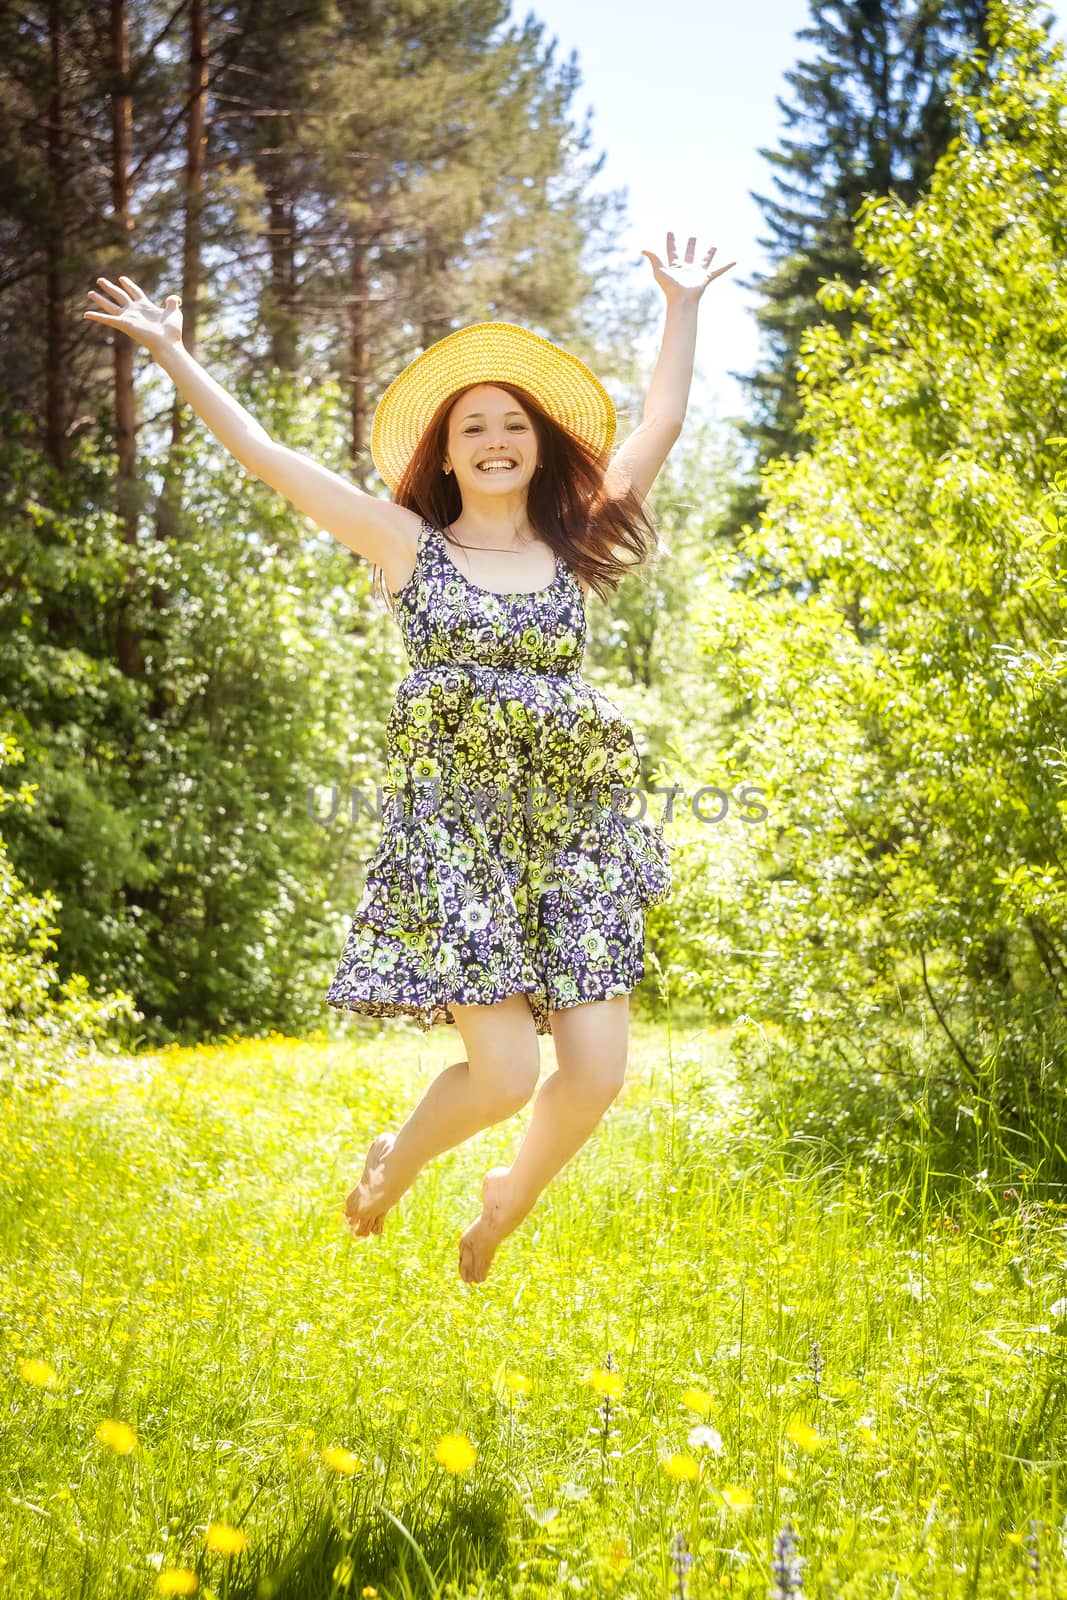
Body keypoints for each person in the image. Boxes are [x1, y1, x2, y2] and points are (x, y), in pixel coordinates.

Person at [83, 232, 734, 1281]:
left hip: (576, 833)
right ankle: (396, 1158)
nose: (493, 437)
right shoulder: (406, 547)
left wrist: (681, 303)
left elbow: (658, 419)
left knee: (598, 1071)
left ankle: (505, 1198)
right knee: (507, 1073)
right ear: (442, 451)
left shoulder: (569, 541)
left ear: (538, 444)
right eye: (471, 424)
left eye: (512, 423)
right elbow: (267, 459)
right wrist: (171, 350)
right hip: (464, 837)